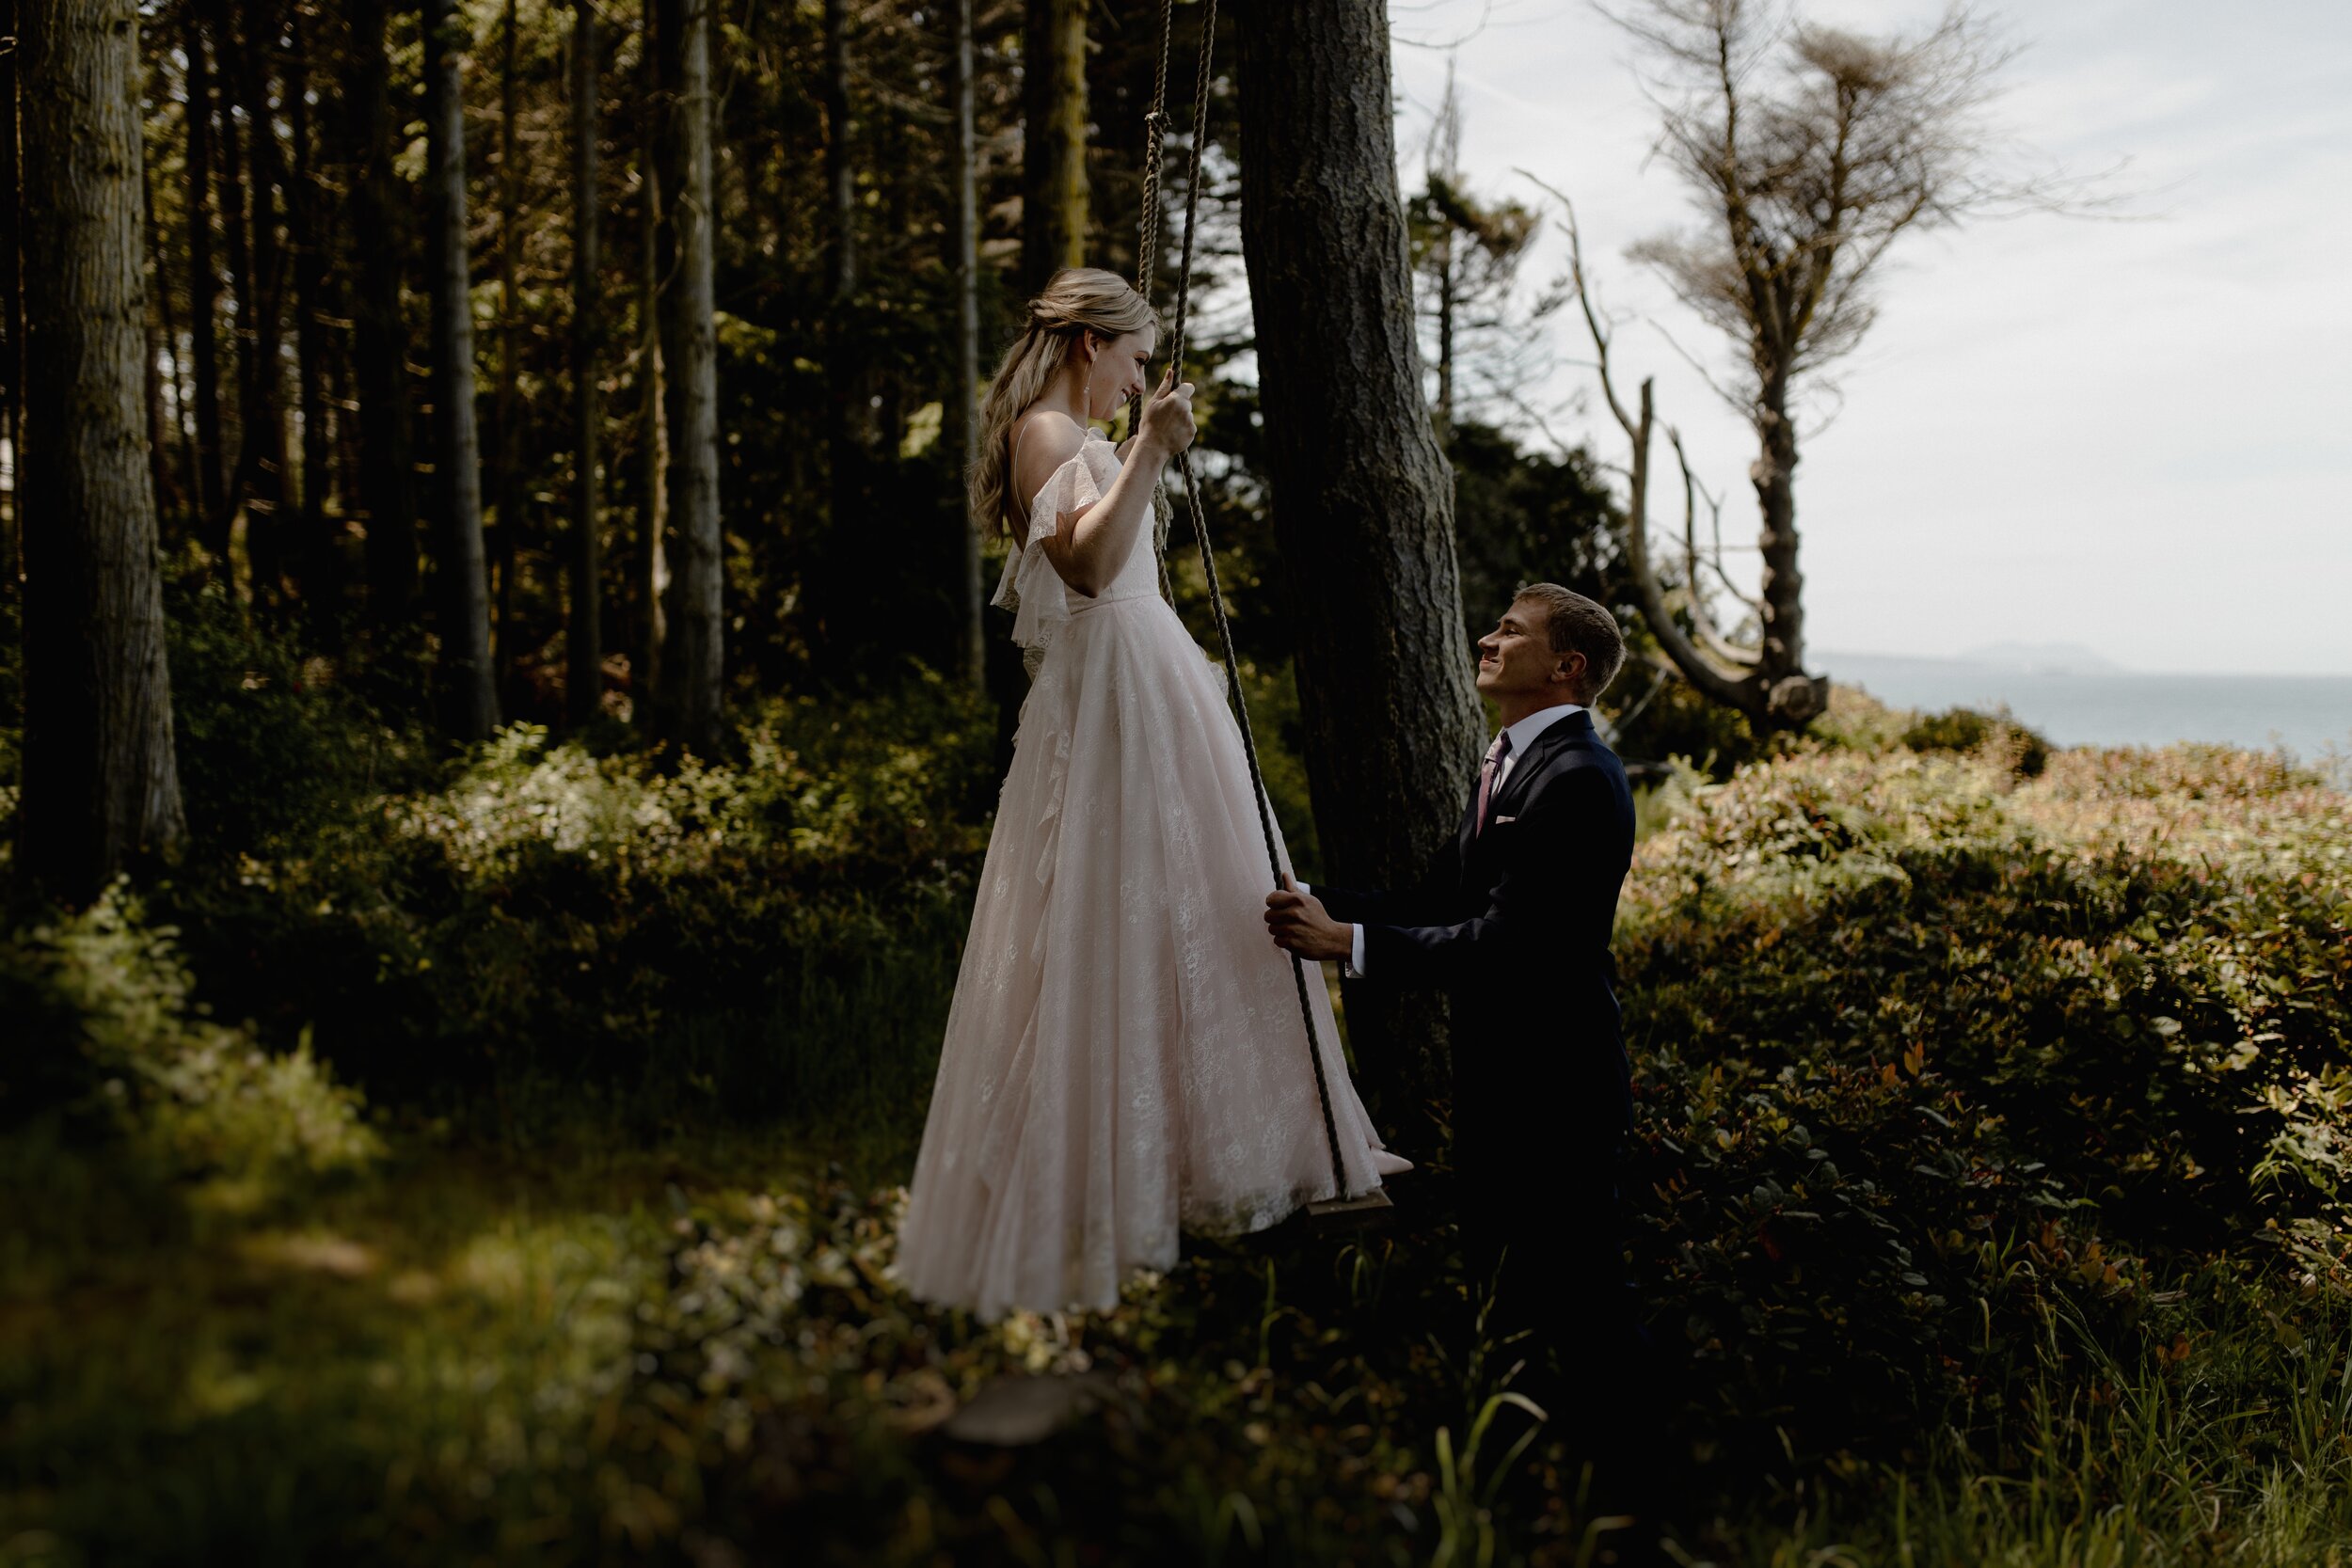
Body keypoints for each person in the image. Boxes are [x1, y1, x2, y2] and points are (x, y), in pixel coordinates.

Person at [895, 268, 1406, 1322]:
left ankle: (1265, 1138)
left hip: (1149, 680)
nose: (1139, 380)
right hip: (1123, 684)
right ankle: (1145, 1167)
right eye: (1133, 357)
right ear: (1089, 343)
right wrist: (1149, 450)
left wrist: (1140, 449)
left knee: (1203, 907)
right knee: (1140, 911)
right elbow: (1088, 566)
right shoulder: (1047, 429)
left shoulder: (1074, 432)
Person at [1263, 584, 1641, 1459]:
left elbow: (1517, 945)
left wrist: (1347, 944)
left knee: (1585, 1310)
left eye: (1513, 631)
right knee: (1507, 1301)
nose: (1488, 637)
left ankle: (1632, 1499)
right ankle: (1529, 1498)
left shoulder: (1581, 778)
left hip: (1560, 1094)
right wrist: (1297, 893)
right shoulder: (1504, 763)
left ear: (1568, 665)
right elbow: (1433, 903)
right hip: (1497, 1088)